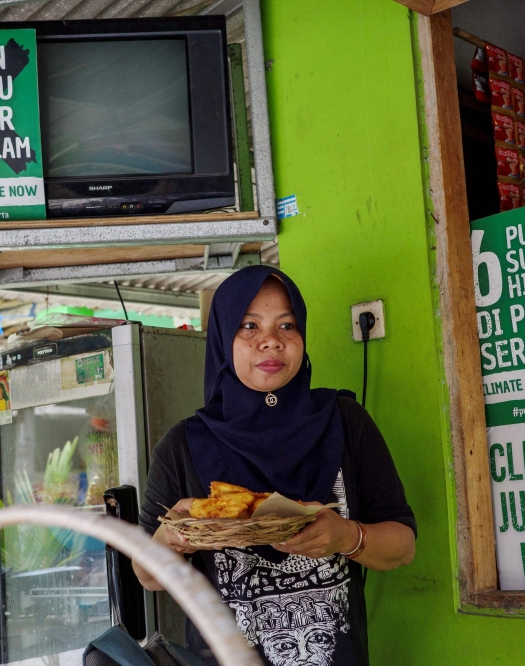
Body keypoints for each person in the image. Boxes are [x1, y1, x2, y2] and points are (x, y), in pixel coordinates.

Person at [133, 266, 416, 666]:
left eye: (287, 325)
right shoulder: (182, 446)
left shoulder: (345, 422)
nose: (271, 341)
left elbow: (402, 547)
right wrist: (178, 535)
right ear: (222, 339)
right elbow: (148, 576)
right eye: (249, 326)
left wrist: (346, 538)